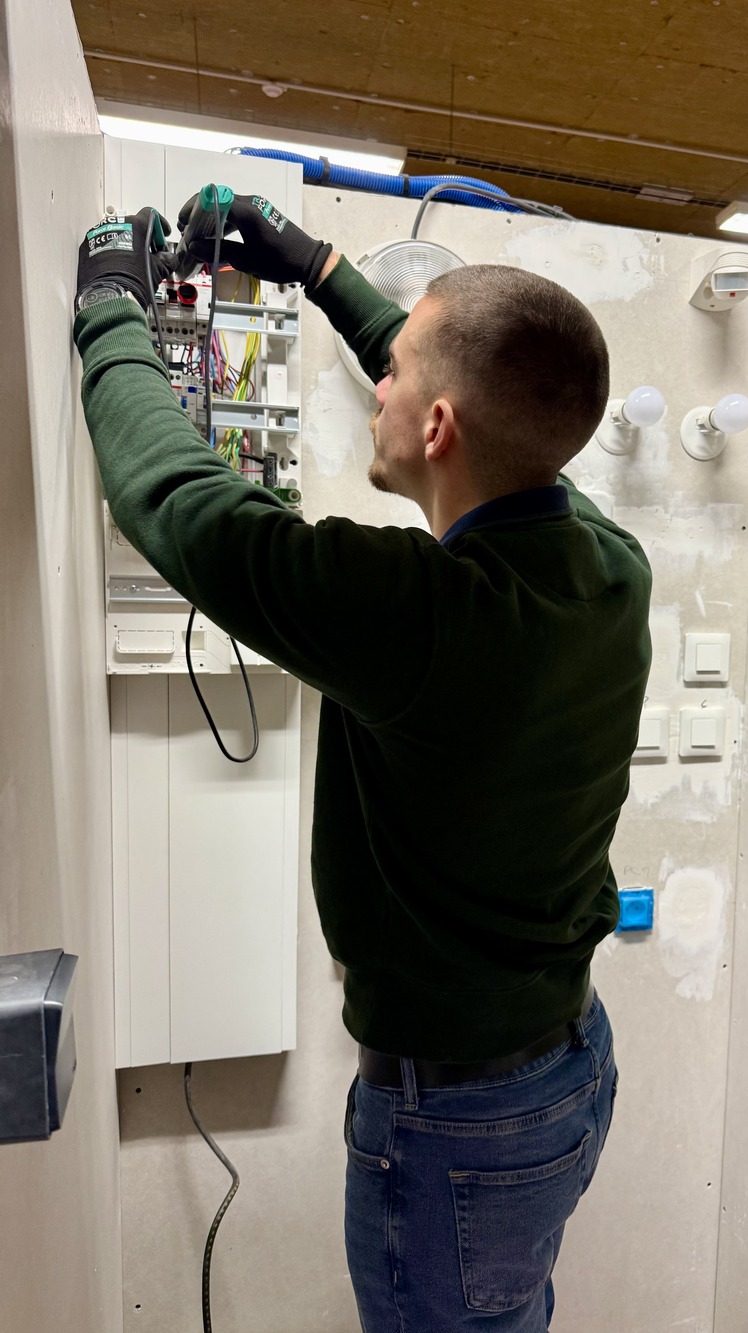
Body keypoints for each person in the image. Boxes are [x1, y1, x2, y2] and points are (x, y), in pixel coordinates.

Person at [73, 194, 652, 1332]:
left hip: (456, 1120)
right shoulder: (602, 560)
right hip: (565, 1071)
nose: (375, 383)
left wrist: (111, 311)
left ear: (436, 428)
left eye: (394, 376)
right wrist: (317, 266)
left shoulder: (420, 618)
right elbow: (482, 379)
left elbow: (183, 507)